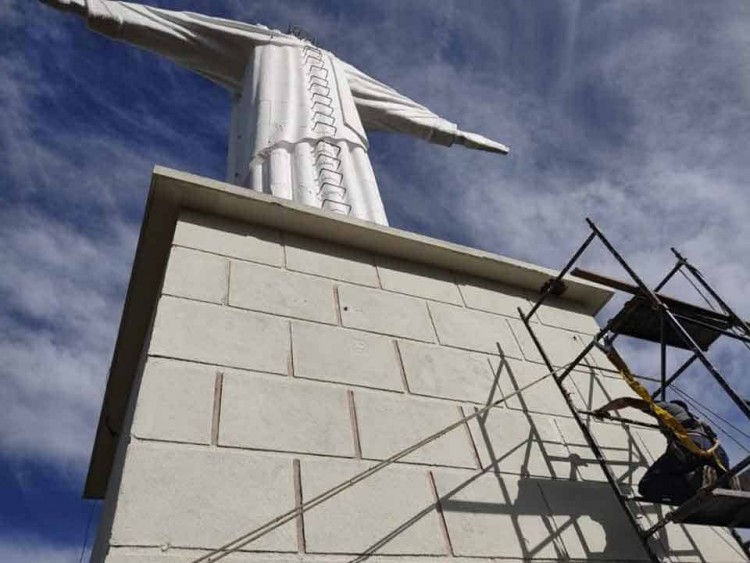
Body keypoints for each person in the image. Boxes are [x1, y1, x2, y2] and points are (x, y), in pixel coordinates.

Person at [593, 397, 734, 504]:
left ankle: (696, 482)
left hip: (690, 448)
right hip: (718, 457)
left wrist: (602, 410)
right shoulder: (700, 423)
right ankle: (721, 481)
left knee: (648, 487)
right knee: (683, 480)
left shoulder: (670, 408)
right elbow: (715, 445)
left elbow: (625, 401)